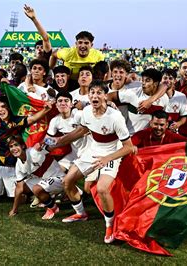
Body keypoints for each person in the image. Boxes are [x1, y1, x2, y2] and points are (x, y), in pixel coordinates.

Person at [51, 80, 134, 244]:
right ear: (88, 95)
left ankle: (110, 224)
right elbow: (82, 130)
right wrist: (59, 142)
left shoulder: (115, 117)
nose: (94, 96)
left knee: (102, 188)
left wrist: (107, 159)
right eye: (92, 92)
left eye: (98, 93)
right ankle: (81, 213)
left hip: (111, 152)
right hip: (93, 151)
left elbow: (129, 147)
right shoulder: (86, 111)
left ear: (105, 95)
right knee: (68, 181)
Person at [0, 96, 53, 202]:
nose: (1, 110)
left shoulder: (17, 120)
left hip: (12, 163)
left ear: (8, 108)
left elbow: (33, 119)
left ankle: (31, 193)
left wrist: (46, 109)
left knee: (18, 198)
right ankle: (4, 191)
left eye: (3, 106)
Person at [8, 135, 65, 219]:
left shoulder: (33, 151)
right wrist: (14, 209)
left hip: (60, 178)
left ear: (23, 146)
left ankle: (53, 208)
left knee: (36, 189)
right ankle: (46, 196)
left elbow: (49, 143)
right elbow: (19, 188)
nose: (14, 148)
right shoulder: (18, 165)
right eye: (11, 146)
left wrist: (45, 142)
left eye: (16, 145)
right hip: (45, 179)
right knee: (24, 187)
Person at [161, 68, 187, 133]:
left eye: (170, 78)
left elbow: (184, 116)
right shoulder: (154, 96)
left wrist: (178, 124)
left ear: (175, 81)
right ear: (161, 80)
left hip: (173, 133)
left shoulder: (181, 96)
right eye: (165, 78)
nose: (167, 80)